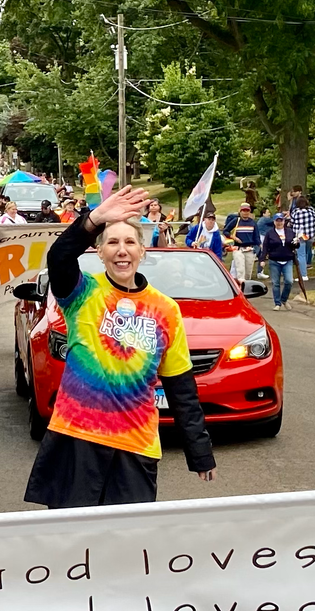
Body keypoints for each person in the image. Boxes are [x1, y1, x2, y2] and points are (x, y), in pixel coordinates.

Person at [24, 184, 215, 506]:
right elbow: (59, 256)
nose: (121, 249)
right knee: (73, 541)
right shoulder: (81, 292)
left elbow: (181, 387)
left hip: (135, 444)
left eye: (129, 242)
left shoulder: (165, 309)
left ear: (143, 250)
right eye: (112, 242)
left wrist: (200, 452)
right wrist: (95, 218)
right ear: (99, 252)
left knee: (126, 542)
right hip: (78, 438)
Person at [261, 211, 299, 308]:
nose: (279, 223)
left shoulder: (290, 232)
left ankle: (284, 299)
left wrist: (296, 243)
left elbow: (295, 246)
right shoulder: (270, 234)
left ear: (284, 221)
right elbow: (265, 247)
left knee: (289, 281)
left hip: (287, 259)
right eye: (277, 221)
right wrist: (262, 259)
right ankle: (277, 303)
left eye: (281, 220)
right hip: (274, 260)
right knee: (275, 283)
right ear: (274, 222)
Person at [287, 187, 315, 300]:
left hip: (300, 235)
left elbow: (292, 222)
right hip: (311, 234)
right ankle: (309, 264)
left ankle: (304, 275)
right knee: (309, 250)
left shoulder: (295, 212)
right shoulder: (312, 211)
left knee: (301, 255)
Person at [224, 202, 256, 284]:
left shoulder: (253, 222)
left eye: (247, 211)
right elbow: (225, 231)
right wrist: (234, 237)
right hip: (238, 249)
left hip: (249, 249)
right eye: (243, 210)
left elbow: (257, 237)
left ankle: (246, 290)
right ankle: (240, 290)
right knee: (240, 271)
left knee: (248, 273)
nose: (245, 212)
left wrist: (257, 249)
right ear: (240, 211)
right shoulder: (236, 221)